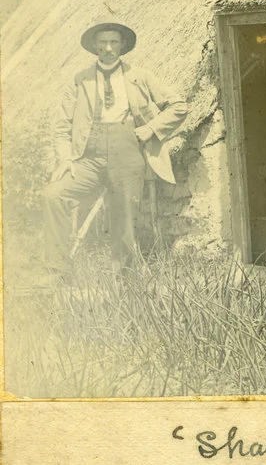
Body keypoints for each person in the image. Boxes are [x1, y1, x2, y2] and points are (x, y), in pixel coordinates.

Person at [41, 20, 188, 278]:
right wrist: (64, 157)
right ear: (95, 47)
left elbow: (179, 106)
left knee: (125, 211)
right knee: (54, 195)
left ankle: (125, 280)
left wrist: (150, 129)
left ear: (122, 46)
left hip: (127, 150)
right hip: (88, 156)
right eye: (103, 43)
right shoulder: (80, 80)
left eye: (114, 42)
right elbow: (62, 124)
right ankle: (57, 270)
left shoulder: (140, 76)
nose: (108, 48)